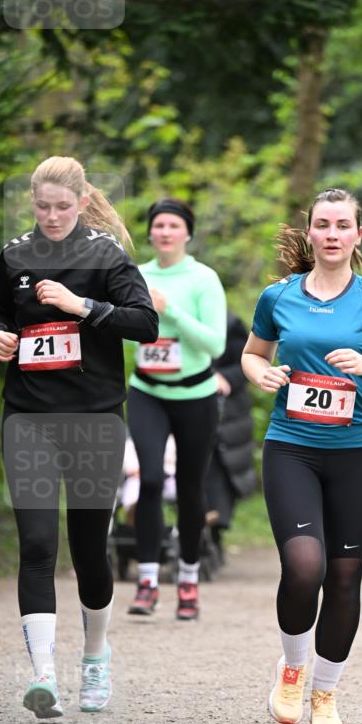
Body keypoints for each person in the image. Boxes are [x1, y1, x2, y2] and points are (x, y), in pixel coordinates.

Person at [241, 187, 362, 724]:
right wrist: (262, 374)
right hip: (291, 447)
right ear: (310, 231)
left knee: (345, 578)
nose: (332, 234)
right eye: (322, 224)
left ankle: (325, 695)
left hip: (357, 455)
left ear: (357, 235)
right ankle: (292, 671)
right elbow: (252, 354)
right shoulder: (277, 297)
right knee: (304, 566)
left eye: (342, 225)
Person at [0, 156, 159, 719]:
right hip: (29, 417)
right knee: (37, 545)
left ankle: (95, 655)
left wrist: (81, 306)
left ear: (83, 202)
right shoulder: (15, 254)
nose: (53, 216)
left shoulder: (106, 255)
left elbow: (146, 324)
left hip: (94, 419)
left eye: (63, 207)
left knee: (88, 550)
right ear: (31, 203)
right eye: (43, 206)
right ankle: (43, 675)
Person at [126, 198, 226, 620]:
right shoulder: (136, 275)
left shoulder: (203, 279)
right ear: (150, 232)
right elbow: (123, 332)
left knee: (189, 487)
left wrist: (171, 312)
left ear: (188, 233)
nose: (165, 232)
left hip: (196, 395)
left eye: (174, 225)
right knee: (149, 479)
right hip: (147, 391)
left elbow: (215, 344)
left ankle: (187, 579)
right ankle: (147, 581)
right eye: (159, 225)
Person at [205, 312, 257, 564]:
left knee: (220, 471)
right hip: (184, 402)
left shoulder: (231, 324)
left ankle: (215, 533)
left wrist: (223, 378)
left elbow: (247, 363)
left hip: (229, 415)